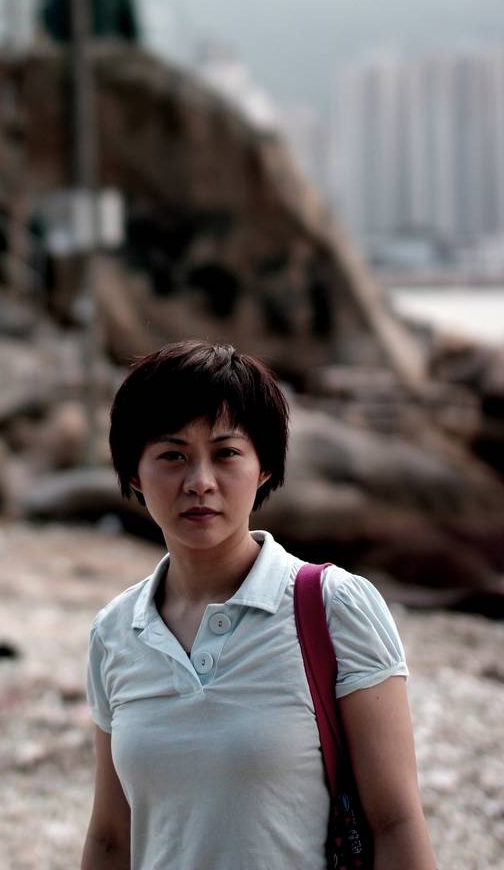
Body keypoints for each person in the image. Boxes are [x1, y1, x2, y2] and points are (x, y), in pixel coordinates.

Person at [81, 341, 435, 870]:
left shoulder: (334, 607)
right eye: (173, 455)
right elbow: (112, 836)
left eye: (226, 453)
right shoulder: (115, 632)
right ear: (134, 472)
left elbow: (396, 821)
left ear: (264, 466)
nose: (200, 482)